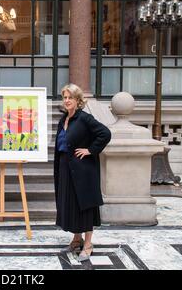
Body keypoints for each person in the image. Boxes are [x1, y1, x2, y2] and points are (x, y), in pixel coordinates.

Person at [54, 84, 111, 261]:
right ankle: (76, 239)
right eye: (64, 97)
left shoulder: (85, 118)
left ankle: (88, 244)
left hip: (83, 169)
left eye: (70, 97)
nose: (66, 101)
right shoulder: (64, 118)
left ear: (78, 100)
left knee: (84, 206)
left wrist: (90, 150)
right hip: (66, 168)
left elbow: (105, 133)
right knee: (71, 205)